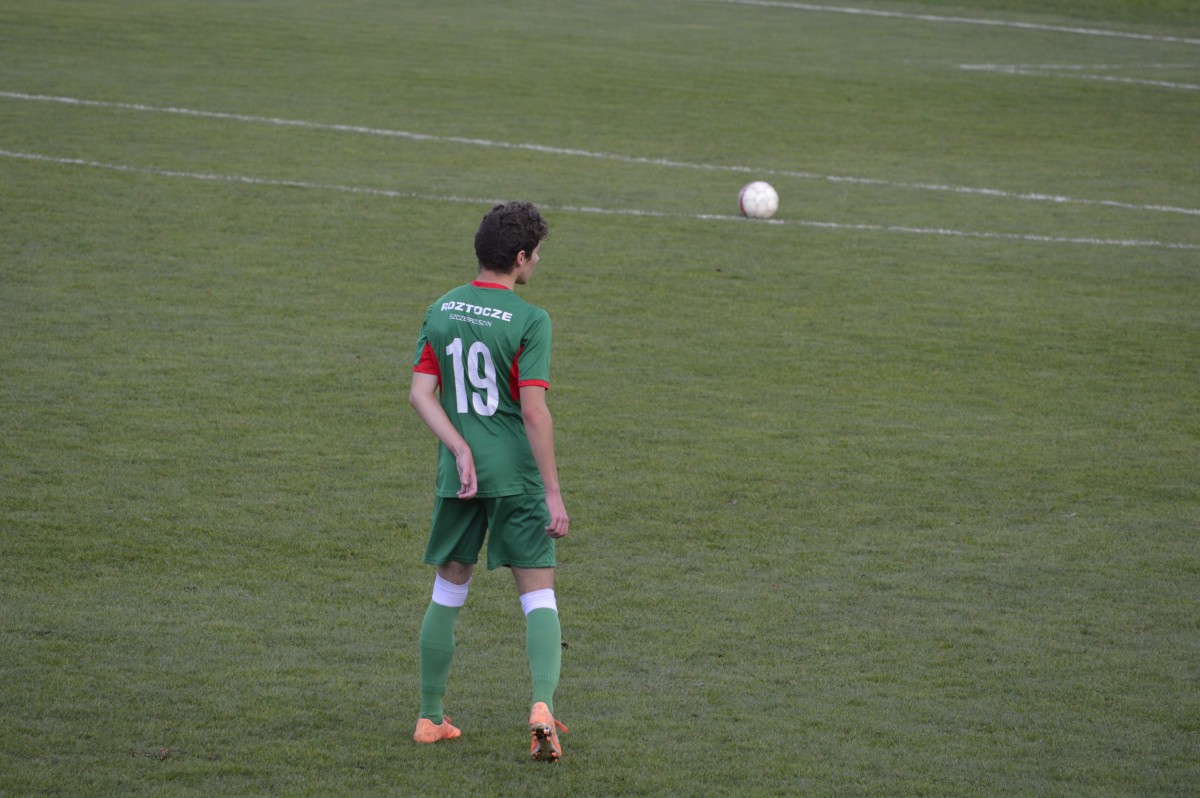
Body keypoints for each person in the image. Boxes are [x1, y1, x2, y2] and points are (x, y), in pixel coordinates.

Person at [408, 201, 570, 762]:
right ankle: (542, 705)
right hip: (515, 477)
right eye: (537, 254)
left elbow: (420, 394)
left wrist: (458, 447)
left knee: (448, 590)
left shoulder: (442, 308)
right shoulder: (531, 320)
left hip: (460, 476)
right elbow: (534, 412)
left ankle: (430, 717)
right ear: (520, 257)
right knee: (539, 593)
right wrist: (552, 491)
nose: (537, 262)